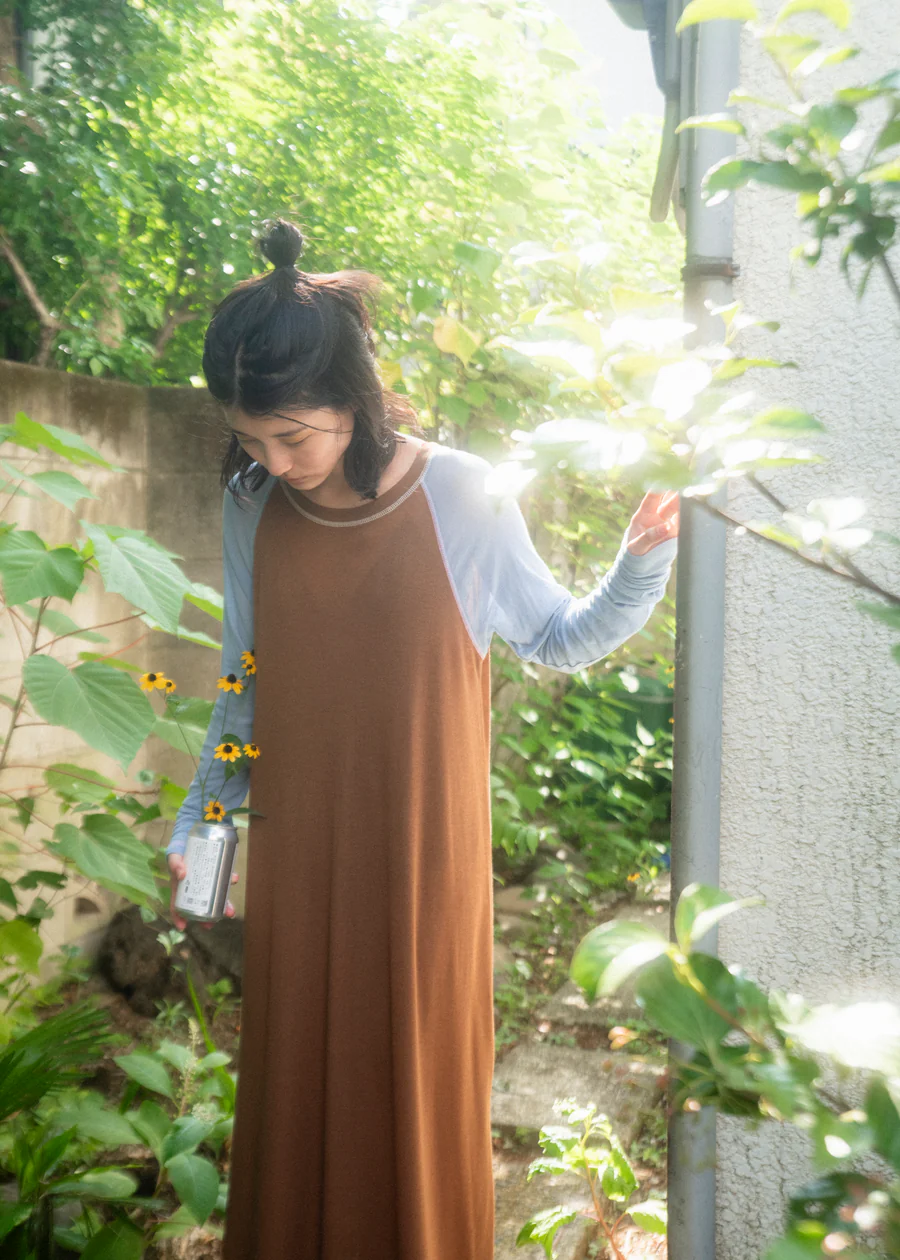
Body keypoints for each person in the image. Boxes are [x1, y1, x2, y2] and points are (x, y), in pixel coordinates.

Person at [166, 217, 679, 1260]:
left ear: (354, 399)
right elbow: (245, 682)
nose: (275, 462)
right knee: (295, 1098)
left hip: (421, 864)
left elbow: (558, 636)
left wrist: (641, 564)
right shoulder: (252, 501)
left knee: (413, 1094)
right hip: (301, 860)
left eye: (293, 437)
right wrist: (199, 827)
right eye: (251, 440)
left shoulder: (460, 492)